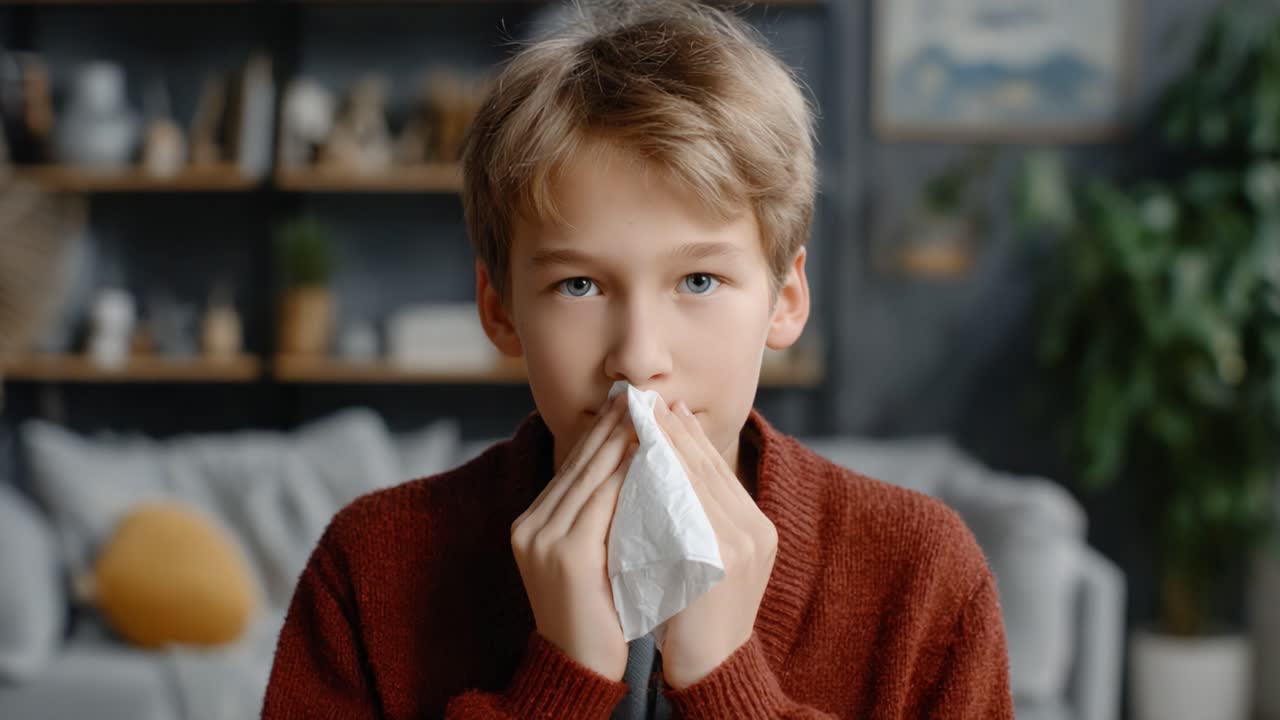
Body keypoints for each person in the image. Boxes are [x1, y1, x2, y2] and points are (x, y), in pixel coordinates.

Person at [262, 1, 1014, 717]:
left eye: (699, 280)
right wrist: (558, 684)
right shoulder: (368, 569)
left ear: (784, 299)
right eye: (579, 285)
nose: (639, 359)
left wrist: (727, 685)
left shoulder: (924, 575)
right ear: (500, 309)